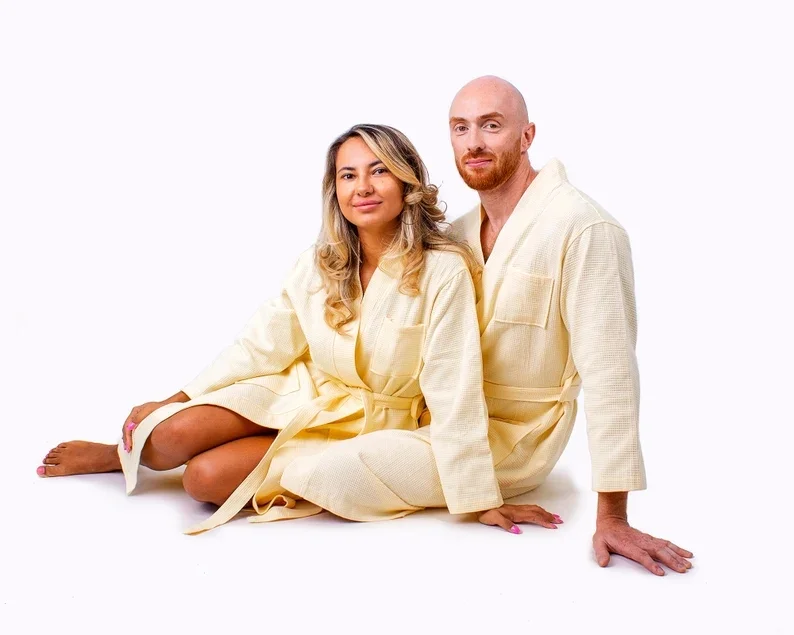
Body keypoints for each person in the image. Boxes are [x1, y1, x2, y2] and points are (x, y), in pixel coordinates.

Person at [38, 123, 562, 535]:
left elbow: (454, 383)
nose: (362, 187)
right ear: (335, 190)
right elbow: (261, 343)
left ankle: (273, 455)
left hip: (366, 423)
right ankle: (119, 455)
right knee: (166, 435)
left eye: (378, 171)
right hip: (304, 390)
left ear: (407, 182)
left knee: (202, 480)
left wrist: (479, 496)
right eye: (347, 175)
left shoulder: (443, 270)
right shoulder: (322, 261)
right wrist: (173, 399)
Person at [278, 78, 694, 575]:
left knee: (338, 471)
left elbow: (611, 373)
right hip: (434, 416)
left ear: (527, 136)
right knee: (300, 415)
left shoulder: (584, 229)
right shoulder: (456, 235)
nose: (473, 142)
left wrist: (614, 516)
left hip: (513, 437)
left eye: (491, 126)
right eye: (461, 128)